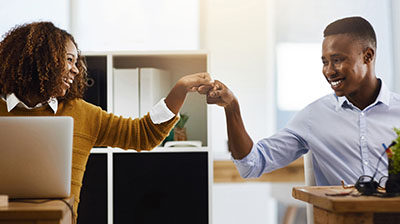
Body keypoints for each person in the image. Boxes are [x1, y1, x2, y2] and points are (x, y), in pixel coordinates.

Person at [0, 21, 212, 219]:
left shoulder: (83, 114)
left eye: (76, 61)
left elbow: (142, 135)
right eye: (68, 59)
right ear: (41, 59)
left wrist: (180, 89)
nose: (75, 69)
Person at [206, 16, 400, 187]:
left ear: (368, 56)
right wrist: (232, 108)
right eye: (325, 62)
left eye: (338, 60)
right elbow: (252, 164)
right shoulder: (314, 116)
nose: (329, 71)